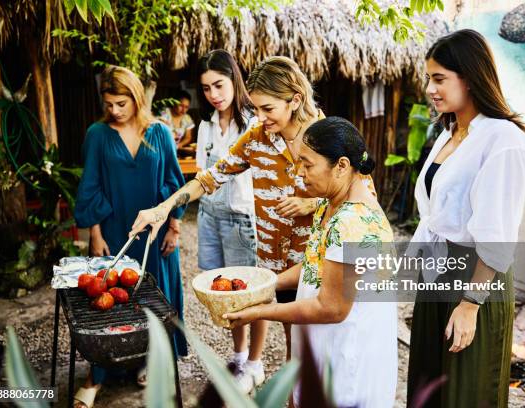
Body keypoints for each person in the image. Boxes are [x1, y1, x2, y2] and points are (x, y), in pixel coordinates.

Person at [130, 56, 374, 393]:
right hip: (277, 264)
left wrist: (310, 202)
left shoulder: (332, 135)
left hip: (322, 264)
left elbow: (366, 199)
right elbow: (209, 178)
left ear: (296, 100)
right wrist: (163, 209)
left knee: (329, 348)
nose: (259, 118)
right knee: (296, 347)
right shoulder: (257, 138)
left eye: (267, 109)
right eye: (256, 109)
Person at [224, 117, 398, 408]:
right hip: (323, 344)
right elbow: (314, 267)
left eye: (307, 164)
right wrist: (265, 282)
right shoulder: (330, 204)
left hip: (346, 354)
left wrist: (261, 311)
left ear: (341, 166)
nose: (299, 173)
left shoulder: (352, 222)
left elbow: (331, 307)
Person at [406, 29, 525, 408]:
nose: (430, 87)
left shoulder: (503, 139)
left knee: (465, 394)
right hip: (436, 273)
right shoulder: (449, 133)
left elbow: (497, 234)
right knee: (427, 387)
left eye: (439, 78)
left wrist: (470, 304)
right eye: (429, 77)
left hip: (476, 278)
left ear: (472, 77)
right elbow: (436, 214)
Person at [73, 65, 188, 408]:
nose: (114, 111)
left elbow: (174, 184)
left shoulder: (160, 133)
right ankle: (98, 375)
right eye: (108, 104)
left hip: (154, 232)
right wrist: (94, 232)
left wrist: (174, 226)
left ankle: (147, 359)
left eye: (121, 103)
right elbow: (90, 185)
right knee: (107, 303)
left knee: (153, 300)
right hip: (114, 230)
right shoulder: (97, 134)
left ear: (137, 98)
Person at [194, 49, 260, 375]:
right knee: (220, 291)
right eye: (206, 89)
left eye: (219, 85)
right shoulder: (205, 126)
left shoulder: (255, 123)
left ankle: (255, 361)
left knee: (249, 293)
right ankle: (239, 355)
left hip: (240, 218)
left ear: (234, 78)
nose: (214, 95)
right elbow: (201, 173)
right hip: (208, 215)